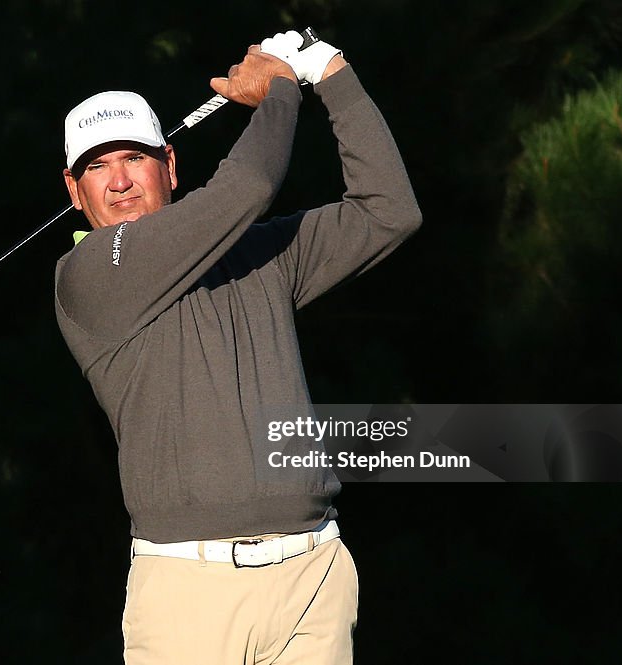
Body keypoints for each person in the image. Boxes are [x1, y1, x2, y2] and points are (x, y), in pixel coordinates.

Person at [54, 30, 421, 665]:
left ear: (169, 165)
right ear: (73, 190)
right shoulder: (86, 277)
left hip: (311, 576)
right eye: (96, 166)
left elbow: (390, 211)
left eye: (133, 159)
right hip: (186, 591)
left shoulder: (254, 255)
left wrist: (331, 73)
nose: (116, 182)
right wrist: (280, 87)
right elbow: (246, 186)